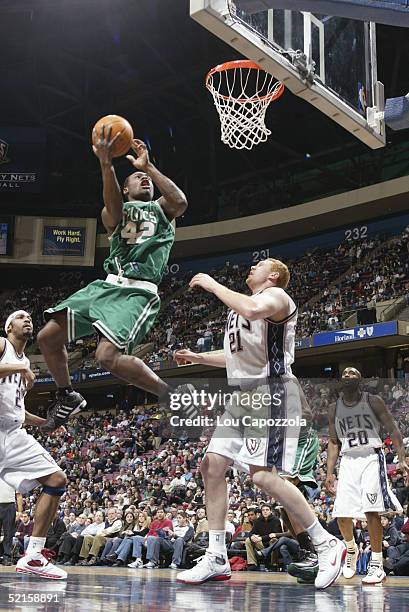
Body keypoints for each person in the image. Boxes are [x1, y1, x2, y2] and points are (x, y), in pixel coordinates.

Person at [174, 259, 345, 588]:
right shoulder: (238, 310)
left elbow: (253, 310)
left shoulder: (278, 297)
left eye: (259, 265)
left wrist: (212, 284)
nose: (250, 267)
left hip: (273, 390)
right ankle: (216, 555)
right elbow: (233, 355)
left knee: (263, 475)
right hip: (242, 395)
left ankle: (326, 543)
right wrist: (198, 357)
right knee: (211, 465)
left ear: (274, 275)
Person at [38, 129, 187, 430]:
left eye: (145, 179)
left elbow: (180, 200)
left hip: (136, 292)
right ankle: (67, 394)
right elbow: (113, 207)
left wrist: (148, 168)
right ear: (124, 189)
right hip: (106, 285)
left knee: (106, 357)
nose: (143, 181)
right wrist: (106, 164)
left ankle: (169, 395)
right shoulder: (113, 214)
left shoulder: (162, 210)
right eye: (136, 179)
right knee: (46, 338)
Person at [0, 310, 67, 579]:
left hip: (12, 433)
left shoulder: (25, 360)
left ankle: (34, 555)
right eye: (20, 317)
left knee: (56, 480)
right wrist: (21, 368)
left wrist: (44, 423)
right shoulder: (3, 346)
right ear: (8, 327)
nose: (27, 319)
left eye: (29, 317)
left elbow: (15, 410)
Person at [324, 367, 407, 584]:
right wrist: (330, 472)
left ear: (360, 380)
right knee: (341, 515)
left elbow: (392, 428)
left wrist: (402, 456)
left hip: (371, 457)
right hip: (348, 460)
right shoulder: (334, 408)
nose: (348, 374)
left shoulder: (373, 400)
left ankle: (377, 565)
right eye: (344, 373)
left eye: (353, 372)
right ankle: (351, 550)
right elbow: (333, 442)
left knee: (371, 510)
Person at [0, 479, 16, 565]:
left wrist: (20, 511)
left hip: (9, 505)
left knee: (8, 533)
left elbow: (19, 494)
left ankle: (7, 557)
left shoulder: (12, 475)